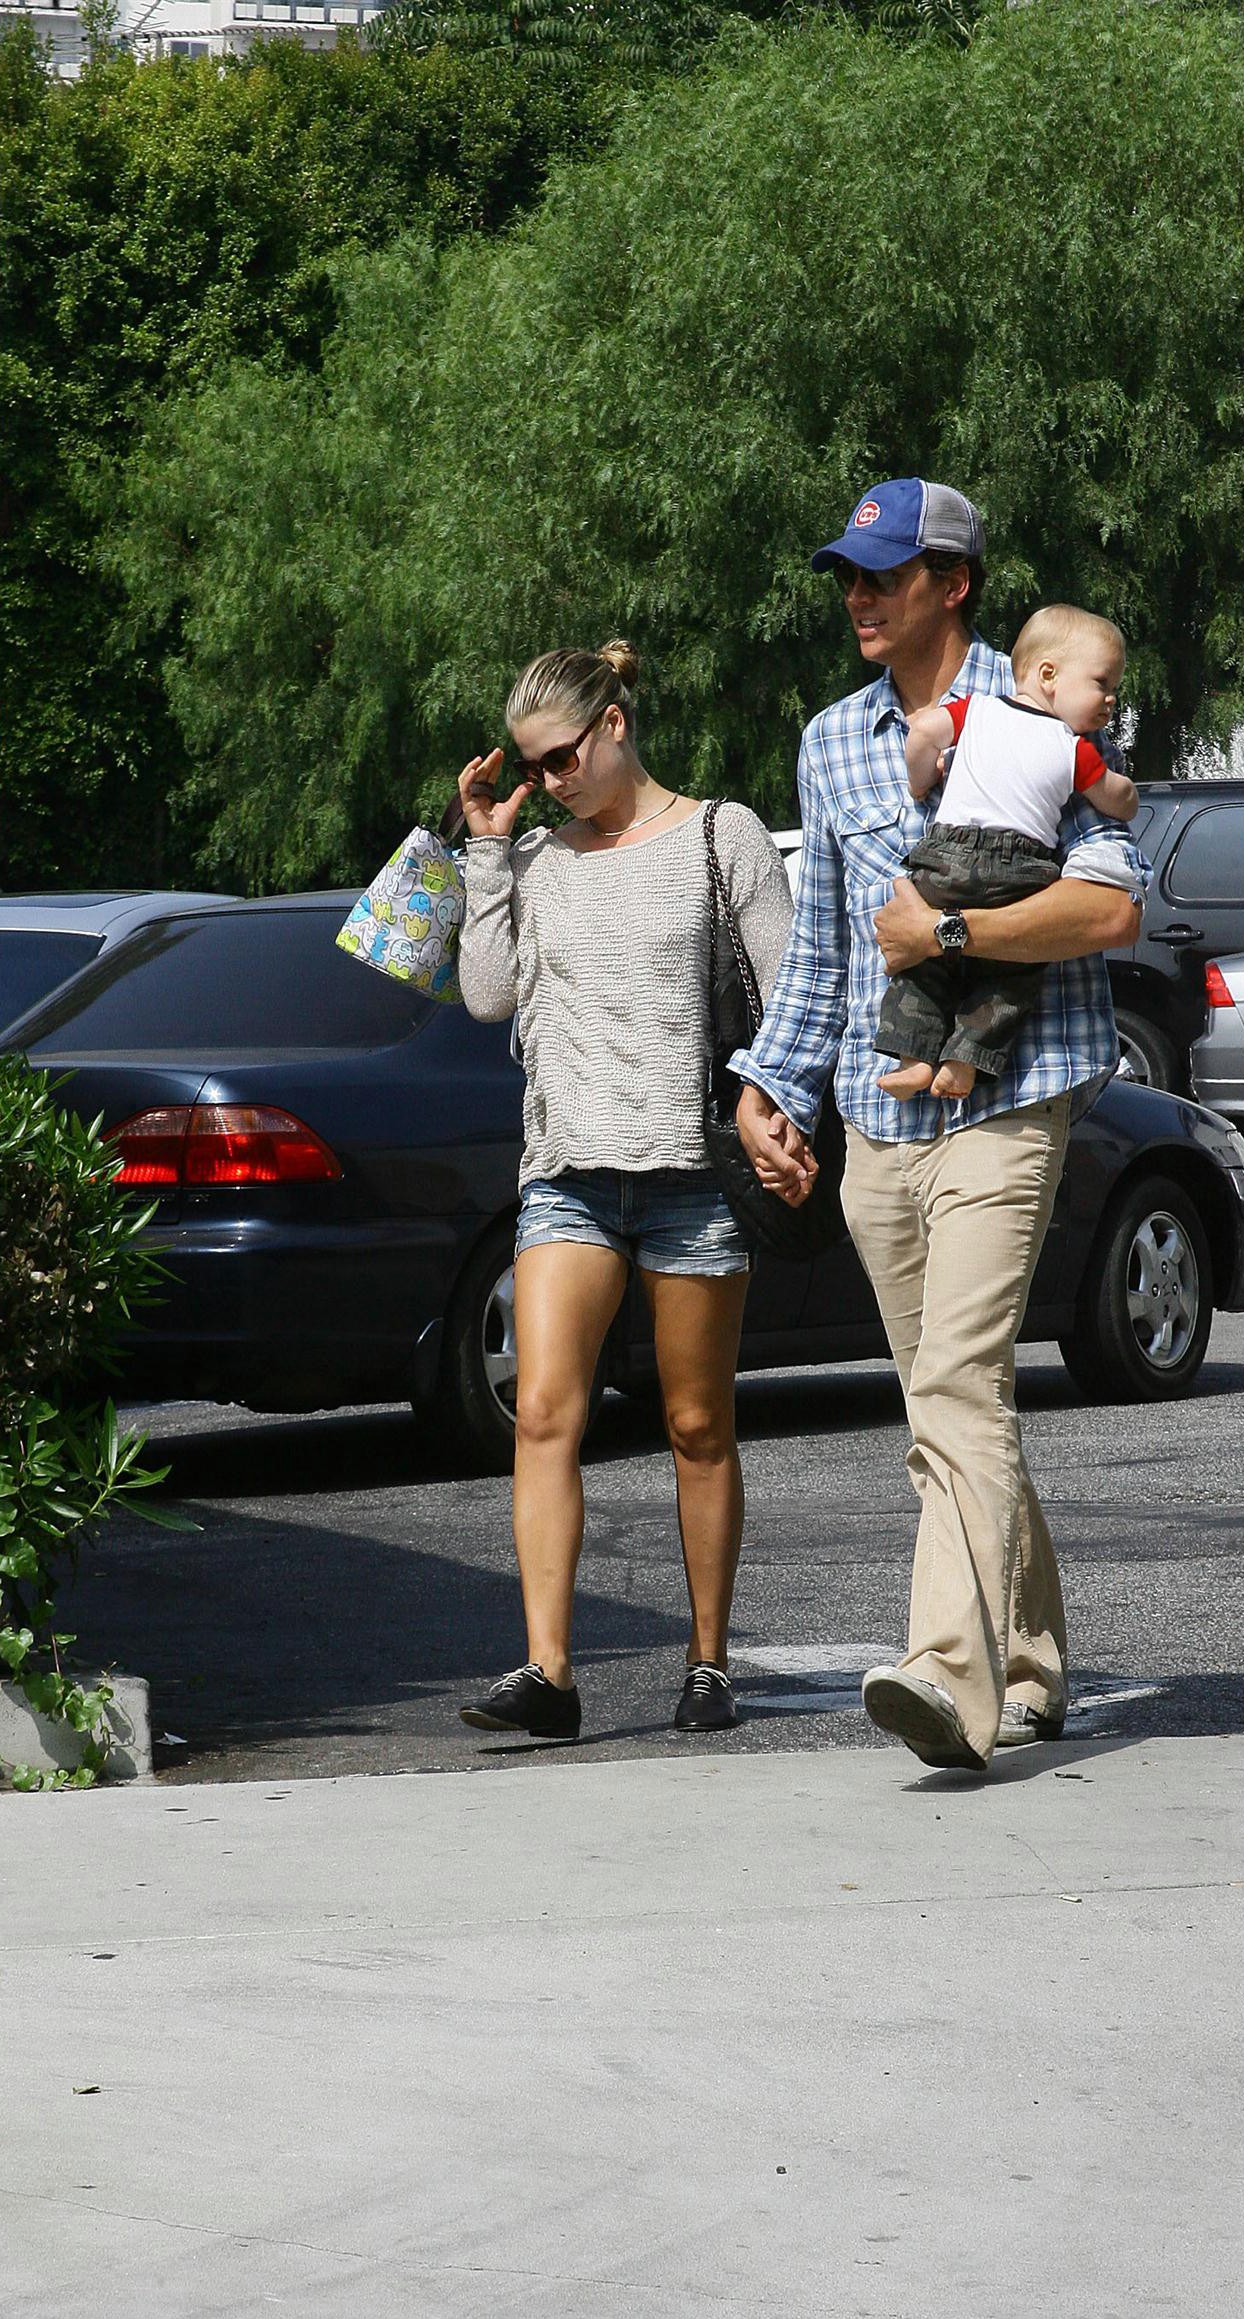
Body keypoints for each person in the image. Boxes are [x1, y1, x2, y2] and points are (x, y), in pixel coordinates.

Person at [731, 481, 1151, 1776]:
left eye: (883, 575)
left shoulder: (1036, 699)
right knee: (945, 1404)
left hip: (1010, 1099)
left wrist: (954, 932)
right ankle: (1030, 1662)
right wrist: (769, 1085)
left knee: (958, 1388)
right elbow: (822, 949)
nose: (858, 597)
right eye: (847, 576)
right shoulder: (829, 740)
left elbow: (1106, 909)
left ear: (950, 583)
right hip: (874, 1114)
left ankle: (945, 1675)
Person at [455, 640, 794, 1744]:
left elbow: (789, 1001)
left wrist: (779, 1111)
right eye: (528, 763)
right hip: (566, 1176)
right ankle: (548, 1671)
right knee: (545, 1413)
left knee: (697, 1424)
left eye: (559, 757)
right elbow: (485, 996)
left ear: (612, 724)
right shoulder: (540, 859)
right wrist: (485, 852)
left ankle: (707, 1660)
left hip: (691, 1174)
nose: (547, 779)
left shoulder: (718, 835)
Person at [876, 605, 1140, 1104]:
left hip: (947, 853)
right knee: (1010, 974)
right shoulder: (1075, 747)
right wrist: (1128, 791)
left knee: (920, 967)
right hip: (1020, 870)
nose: (1110, 700)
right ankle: (964, 1060)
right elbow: (1115, 797)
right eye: (1102, 683)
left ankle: (912, 1059)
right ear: (1049, 675)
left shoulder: (975, 710)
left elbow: (924, 733)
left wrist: (920, 779)